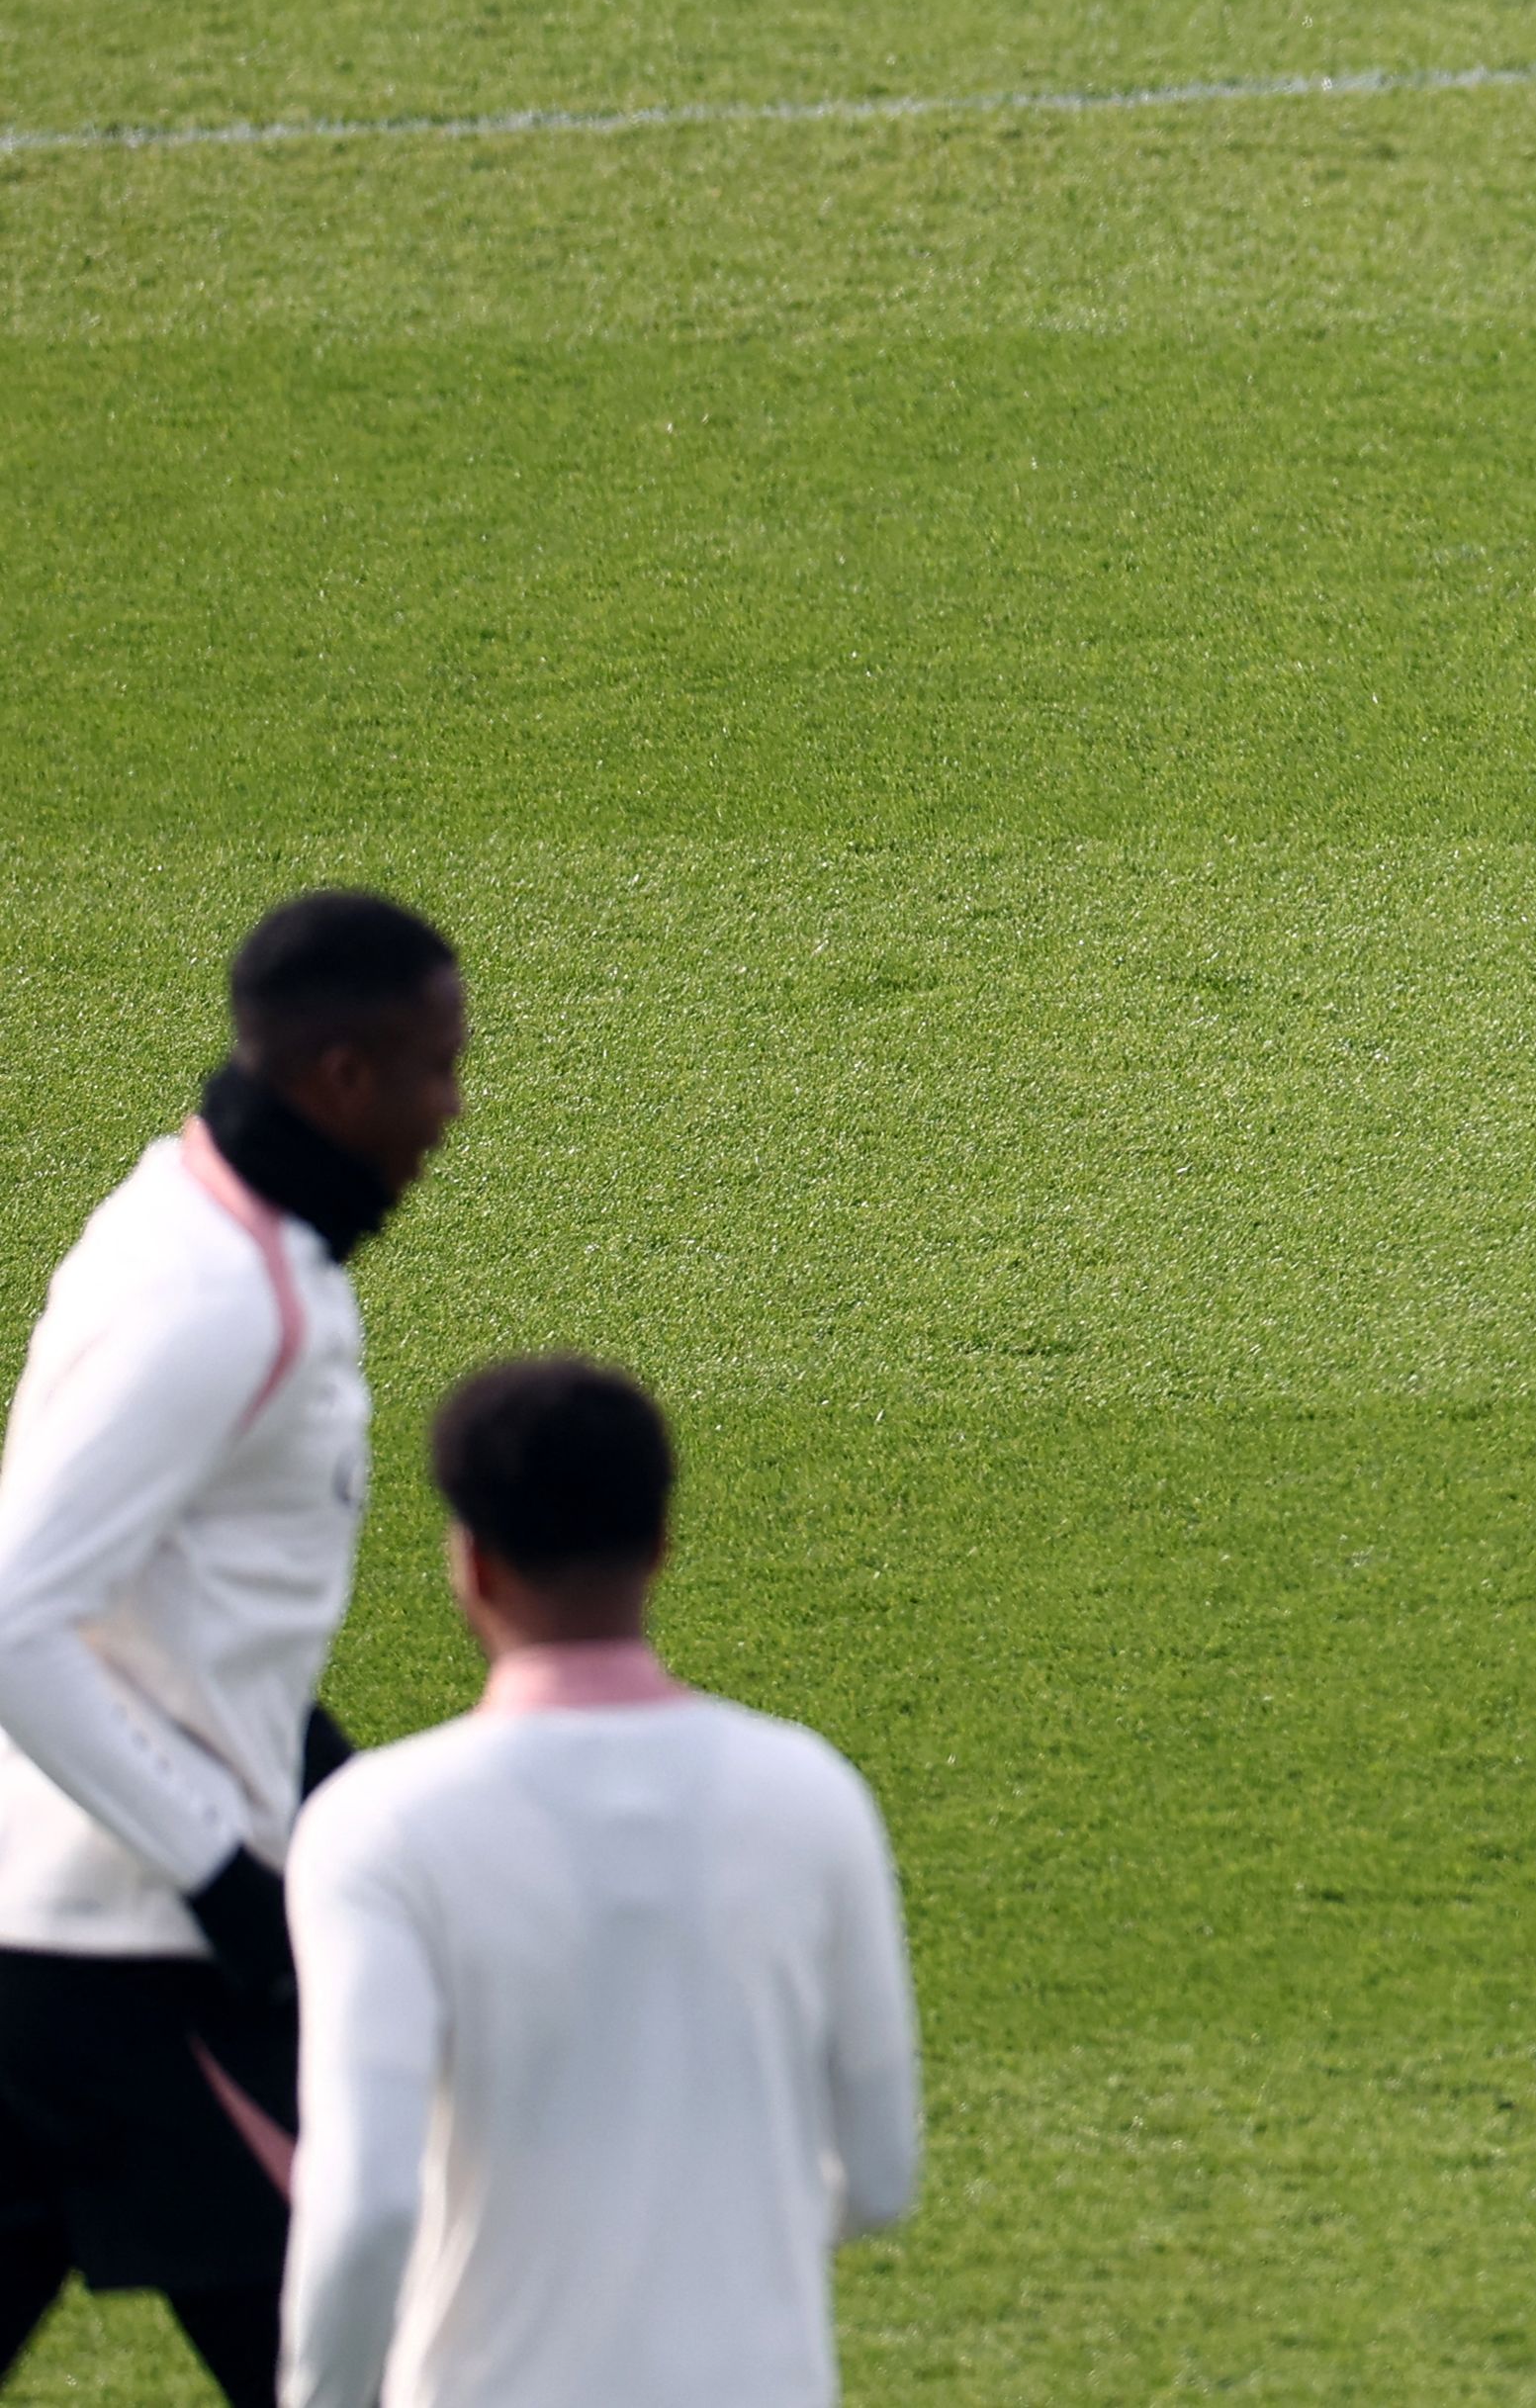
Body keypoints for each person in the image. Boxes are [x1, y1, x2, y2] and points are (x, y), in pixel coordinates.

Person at [0, 893, 466, 2406]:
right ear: (342, 1074)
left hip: (52, 1930)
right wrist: (227, 1880)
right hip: (137, 1971)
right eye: (433, 1068)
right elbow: (18, 1612)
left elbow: (168, 1620)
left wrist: (336, 1800)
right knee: (377, 2370)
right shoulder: (226, 1300)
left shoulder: (174, 1207)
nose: (449, 1112)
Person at [281, 1357, 918, 2408]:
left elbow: (364, 2207)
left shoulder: (378, 1827)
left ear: (472, 1564)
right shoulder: (811, 1794)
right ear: (660, 1547)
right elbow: (880, 2174)